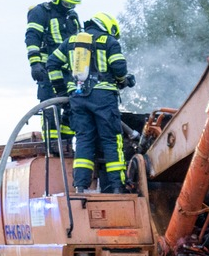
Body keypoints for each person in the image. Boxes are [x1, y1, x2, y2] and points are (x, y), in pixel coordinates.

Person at [46, 12, 135, 194]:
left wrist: (61, 90)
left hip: (78, 98)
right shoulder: (109, 41)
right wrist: (123, 80)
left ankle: (80, 186)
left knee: (84, 139)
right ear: (109, 27)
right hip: (103, 98)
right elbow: (119, 68)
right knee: (111, 139)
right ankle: (117, 186)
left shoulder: (71, 41)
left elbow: (52, 63)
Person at [27, 0, 82, 148]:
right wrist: (35, 63)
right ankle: (52, 147)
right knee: (51, 107)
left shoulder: (72, 16)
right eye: (67, 4)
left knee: (73, 108)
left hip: (69, 72)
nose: (69, 7)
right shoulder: (40, 12)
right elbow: (32, 37)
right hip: (47, 69)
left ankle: (66, 145)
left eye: (72, 5)